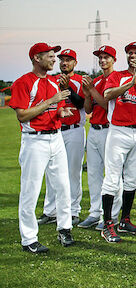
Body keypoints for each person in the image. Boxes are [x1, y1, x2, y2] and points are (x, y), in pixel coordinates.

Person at [10, 43, 75, 253]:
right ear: (37, 58)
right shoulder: (23, 82)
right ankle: (29, 239)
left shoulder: (55, 83)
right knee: (31, 190)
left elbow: (57, 109)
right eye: (50, 56)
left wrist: (61, 112)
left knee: (64, 186)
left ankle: (65, 228)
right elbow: (22, 115)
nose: (54, 59)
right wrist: (51, 102)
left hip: (55, 137)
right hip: (34, 141)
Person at [100, 42, 136, 243]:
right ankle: (108, 223)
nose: (133, 56)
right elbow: (107, 95)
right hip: (119, 130)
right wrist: (128, 83)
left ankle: (124, 220)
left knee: (132, 178)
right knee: (112, 178)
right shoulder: (116, 76)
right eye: (130, 53)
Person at [38, 48, 86, 226]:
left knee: (73, 172)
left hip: (74, 130)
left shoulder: (80, 80)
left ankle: (73, 211)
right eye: (62, 60)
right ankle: (51, 211)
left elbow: (82, 104)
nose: (64, 63)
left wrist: (67, 89)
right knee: (52, 172)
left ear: (75, 63)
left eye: (68, 60)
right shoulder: (51, 80)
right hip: (56, 130)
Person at [78, 46, 122, 229]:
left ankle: (111, 215)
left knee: (112, 175)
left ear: (114, 60)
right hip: (94, 128)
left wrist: (92, 91)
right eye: (100, 57)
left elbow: (106, 105)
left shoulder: (117, 79)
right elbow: (88, 109)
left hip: (109, 129)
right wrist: (88, 94)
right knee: (94, 174)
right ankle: (95, 212)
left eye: (106, 57)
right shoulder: (95, 81)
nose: (103, 60)